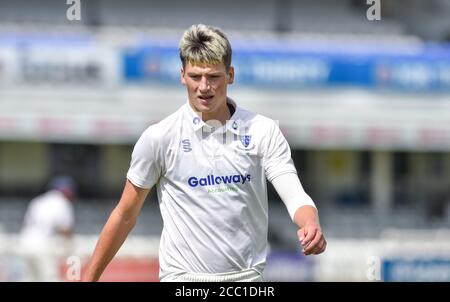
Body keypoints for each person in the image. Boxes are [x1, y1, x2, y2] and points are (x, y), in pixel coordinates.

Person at [84, 24, 326, 282]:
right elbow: (125, 215)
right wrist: (89, 278)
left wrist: (309, 223)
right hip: (182, 279)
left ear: (230, 75)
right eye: (195, 76)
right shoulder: (159, 137)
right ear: (182, 75)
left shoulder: (262, 130)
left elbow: (294, 194)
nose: (204, 87)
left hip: (247, 279)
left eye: (213, 77)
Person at [19, 176, 76, 281]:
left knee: (30, 278)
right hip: (43, 245)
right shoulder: (63, 203)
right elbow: (65, 229)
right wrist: (71, 247)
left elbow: (27, 223)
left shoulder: (38, 201)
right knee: (50, 278)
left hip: (25, 242)